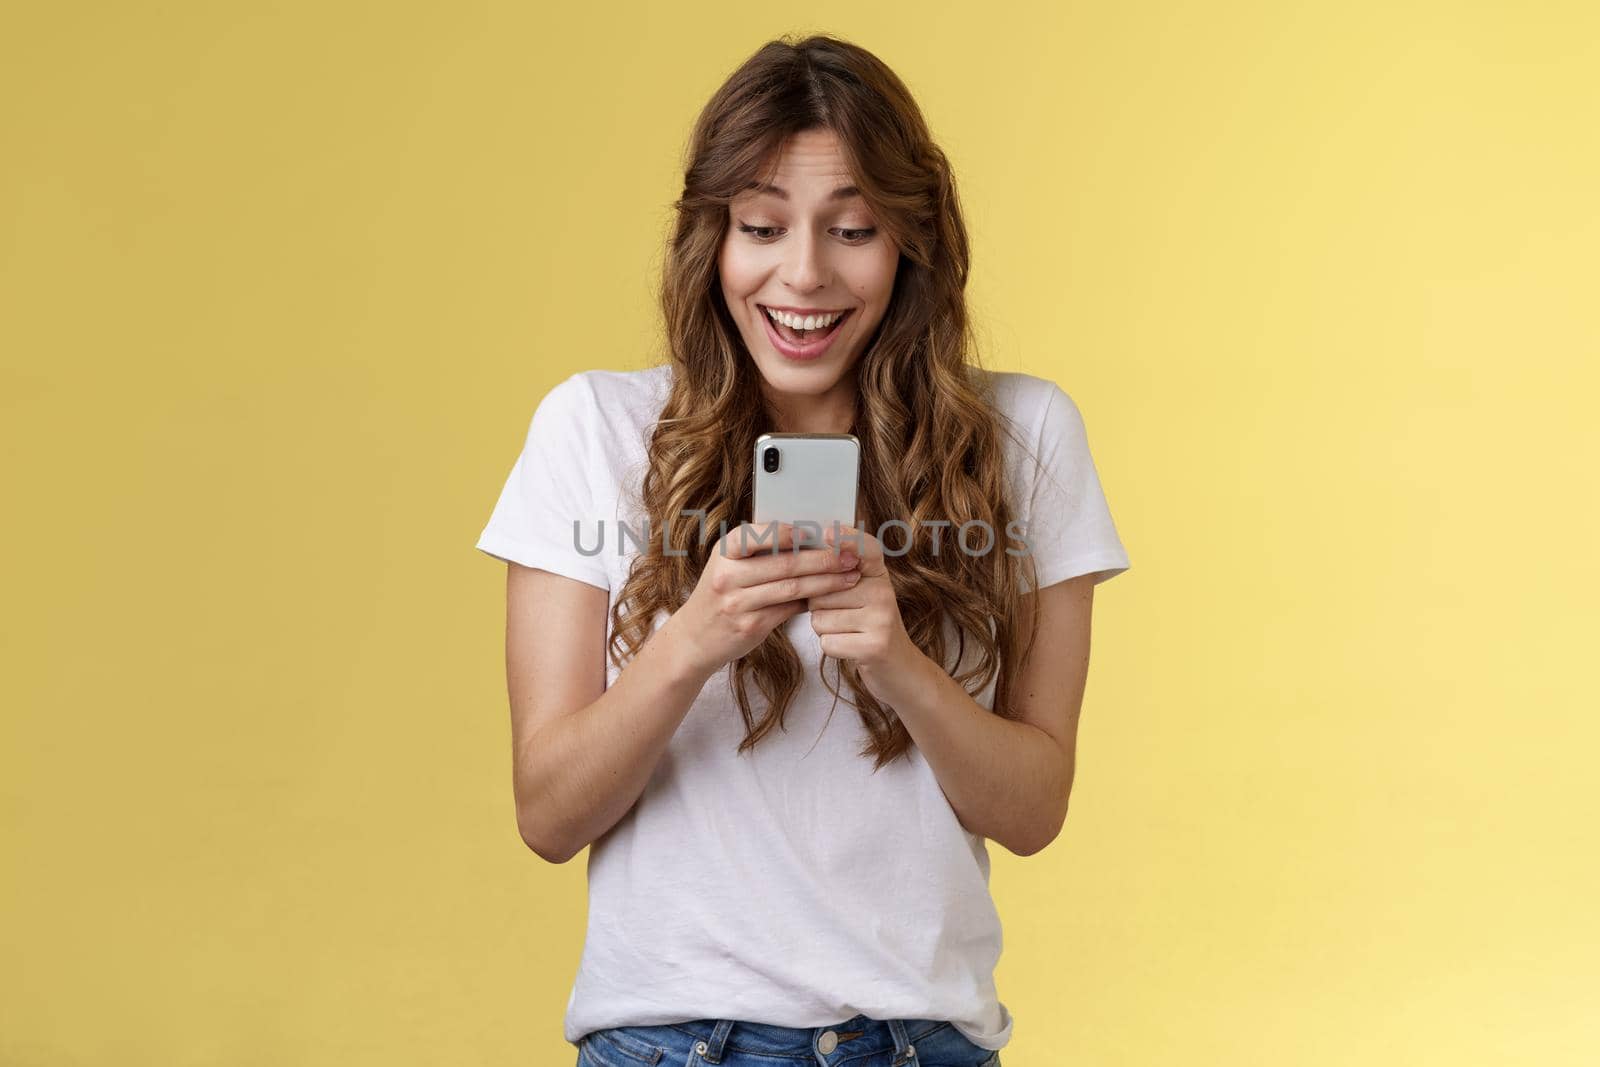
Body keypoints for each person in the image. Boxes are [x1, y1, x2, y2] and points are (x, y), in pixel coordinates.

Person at [475, 33, 1130, 1067]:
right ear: (713, 242)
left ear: (910, 240)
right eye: (763, 227)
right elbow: (548, 811)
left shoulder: (1024, 436)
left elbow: (1034, 808)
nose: (805, 274)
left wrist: (900, 664)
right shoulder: (593, 428)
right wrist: (691, 640)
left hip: (920, 1041)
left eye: (853, 228)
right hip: (670, 1041)